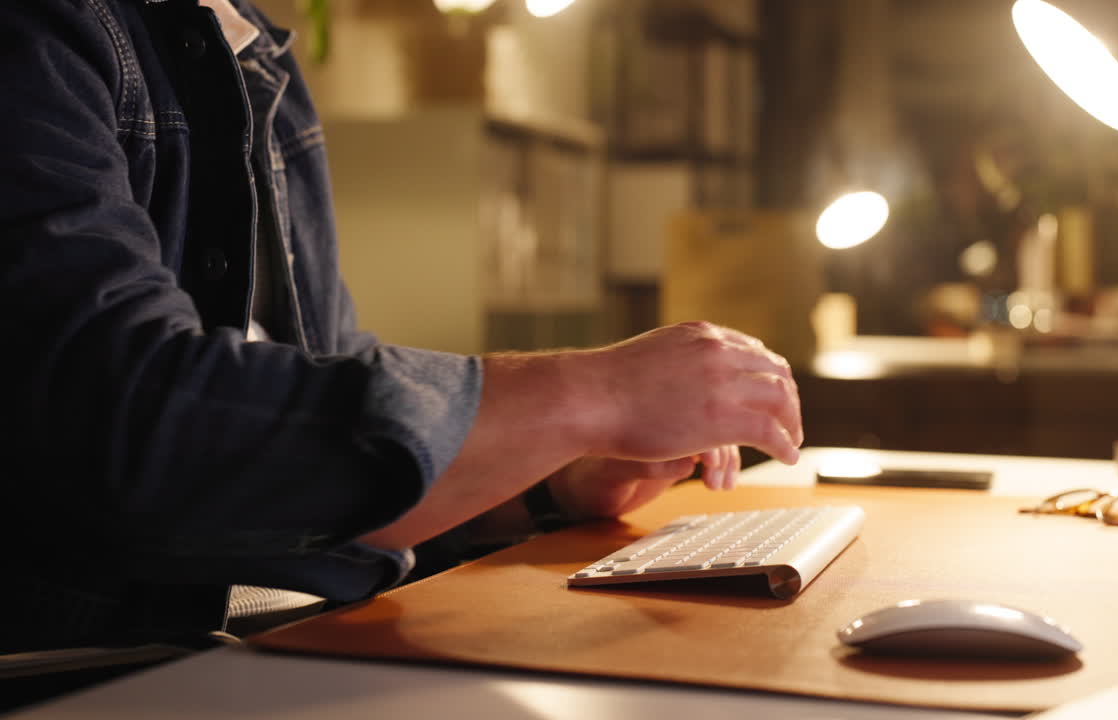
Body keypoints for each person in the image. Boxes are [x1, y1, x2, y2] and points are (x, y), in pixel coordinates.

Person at [0, 0, 802, 655]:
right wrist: (586, 394)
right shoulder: (45, 30)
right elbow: (123, 417)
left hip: (270, 642)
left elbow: (324, 381)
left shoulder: (250, 54)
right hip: (100, 669)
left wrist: (536, 482)